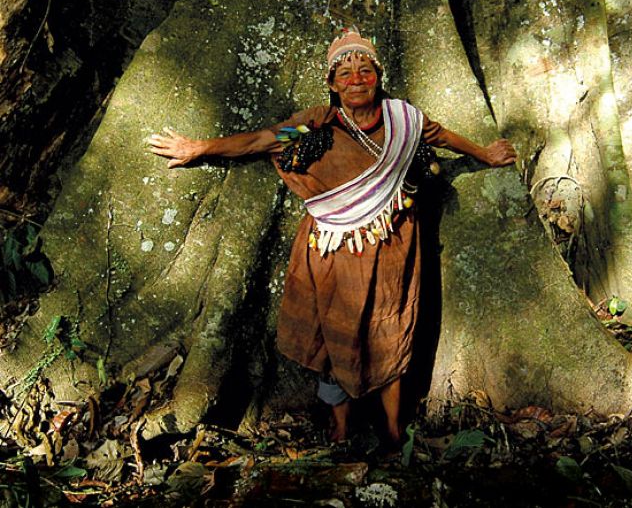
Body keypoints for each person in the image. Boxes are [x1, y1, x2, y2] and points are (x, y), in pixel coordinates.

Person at [149, 29, 516, 449]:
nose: (356, 79)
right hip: (333, 250)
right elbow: (262, 141)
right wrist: (200, 148)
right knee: (331, 334)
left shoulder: (403, 120)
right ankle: (341, 426)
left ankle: (393, 430)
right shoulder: (314, 125)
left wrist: (484, 154)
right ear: (332, 83)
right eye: (345, 73)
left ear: (378, 77)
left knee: (390, 331)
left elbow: (441, 136)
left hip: (391, 247)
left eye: (365, 71)